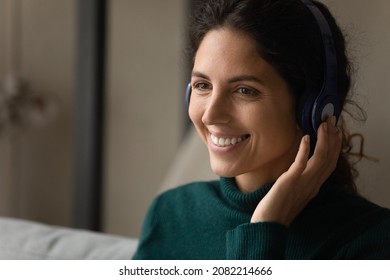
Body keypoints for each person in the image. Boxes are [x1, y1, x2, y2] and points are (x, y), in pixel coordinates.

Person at [133, 0, 390, 259]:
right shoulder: (172, 213)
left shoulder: (370, 238)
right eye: (202, 85)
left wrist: (266, 227)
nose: (211, 114)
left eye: (244, 90)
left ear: (314, 107)